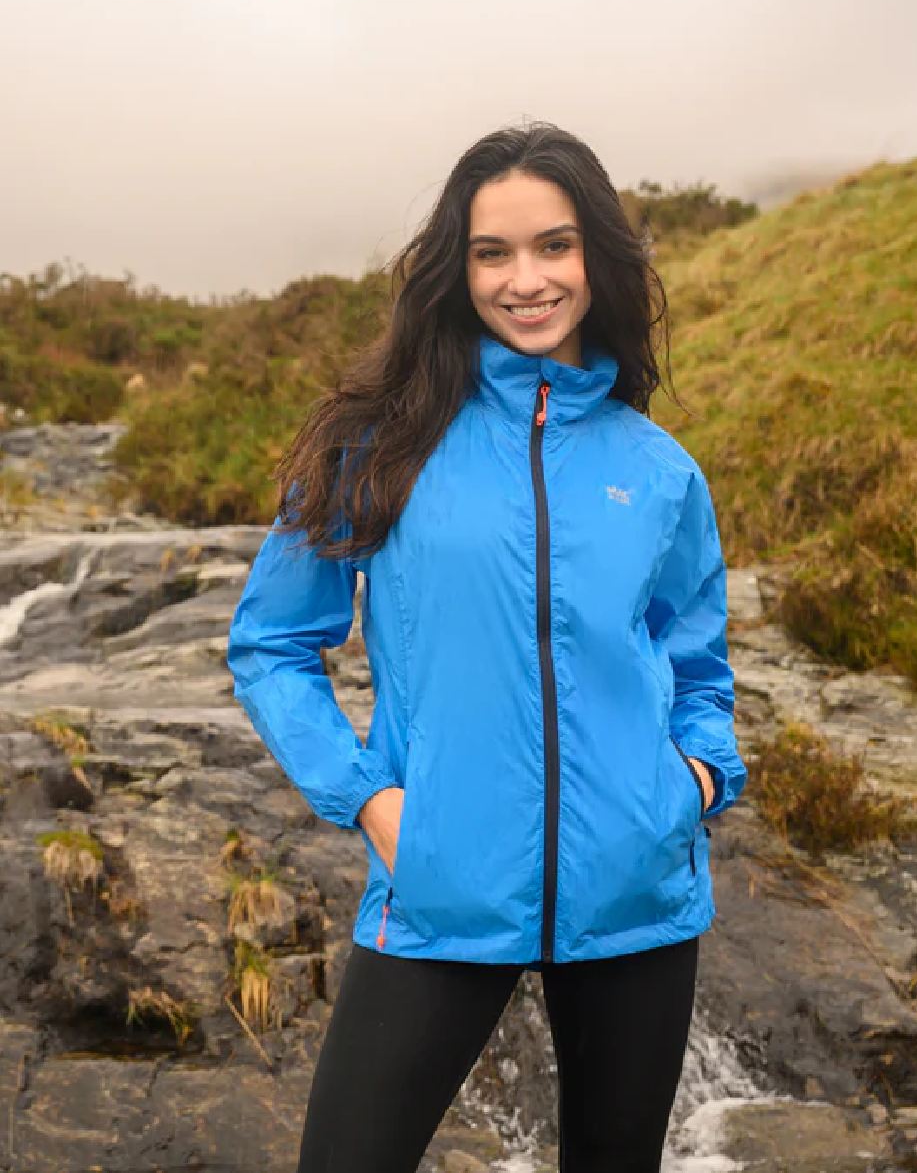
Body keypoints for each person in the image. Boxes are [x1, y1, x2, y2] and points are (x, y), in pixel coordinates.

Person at [226, 121, 746, 1173]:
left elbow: (695, 656)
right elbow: (273, 643)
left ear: (598, 254)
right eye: (491, 252)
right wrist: (369, 798)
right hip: (437, 879)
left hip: (638, 892)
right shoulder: (377, 441)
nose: (527, 279)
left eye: (554, 245)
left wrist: (694, 777)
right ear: (454, 270)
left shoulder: (657, 469)